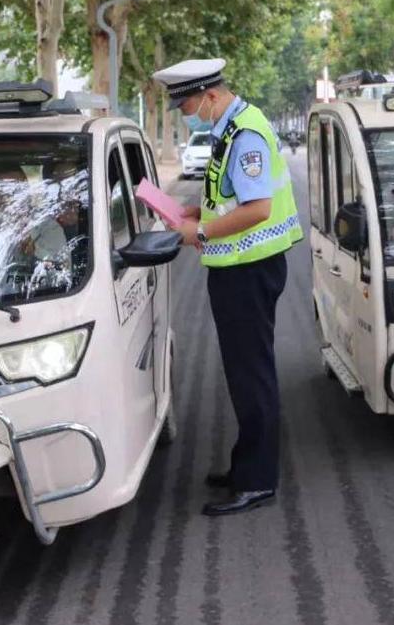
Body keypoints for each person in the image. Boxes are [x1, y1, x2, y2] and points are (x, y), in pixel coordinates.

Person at [152, 58, 303, 516]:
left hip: (249, 269)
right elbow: (228, 197)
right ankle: (246, 467)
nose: (185, 114)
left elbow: (257, 208)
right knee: (245, 373)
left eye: (188, 105)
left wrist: (199, 233)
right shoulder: (230, 128)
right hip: (240, 268)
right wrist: (196, 215)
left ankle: (257, 481)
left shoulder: (247, 134)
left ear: (212, 96)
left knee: (252, 375)